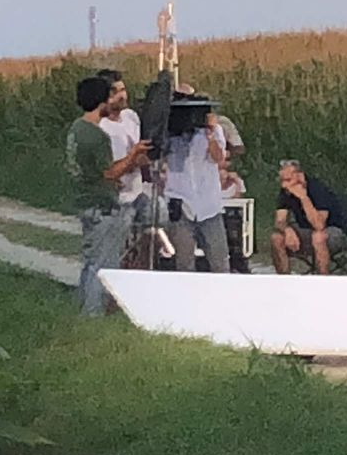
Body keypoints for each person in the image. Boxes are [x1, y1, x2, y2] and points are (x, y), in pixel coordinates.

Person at [67, 76, 149, 315]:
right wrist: (134, 155)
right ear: (102, 100)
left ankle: (82, 308)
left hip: (85, 201)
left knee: (91, 261)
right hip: (102, 205)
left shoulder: (77, 128)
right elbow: (110, 172)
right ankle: (93, 314)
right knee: (104, 266)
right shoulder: (97, 135)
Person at [95, 69, 154, 267]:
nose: (123, 96)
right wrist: (134, 158)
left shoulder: (131, 117)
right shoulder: (101, 128)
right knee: (112, 254)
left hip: (139, 192)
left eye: (123, 89)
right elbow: (110, 172)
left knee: (159, 226)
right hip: (118, 200)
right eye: (115, 92)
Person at [164, 106, 230, 273]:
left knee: (219, 261)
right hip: (181, 203)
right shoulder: (169, 134)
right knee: (184, 262)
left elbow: (218, 158)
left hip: (209, 205)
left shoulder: (213, 131)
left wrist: (211, 135)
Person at [271, 160, 347, 275]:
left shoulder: (318, 189)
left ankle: (322, 281)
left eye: (288, 180)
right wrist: (287, 229)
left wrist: (304, 198)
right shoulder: (286, 191)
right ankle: (284, 280)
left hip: (333, 232)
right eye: (282, 180)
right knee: (276, 237)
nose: (284, 185)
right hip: (307, 232)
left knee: (318, 237)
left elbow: (319, 225)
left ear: (300, 176)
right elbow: (279, 220)